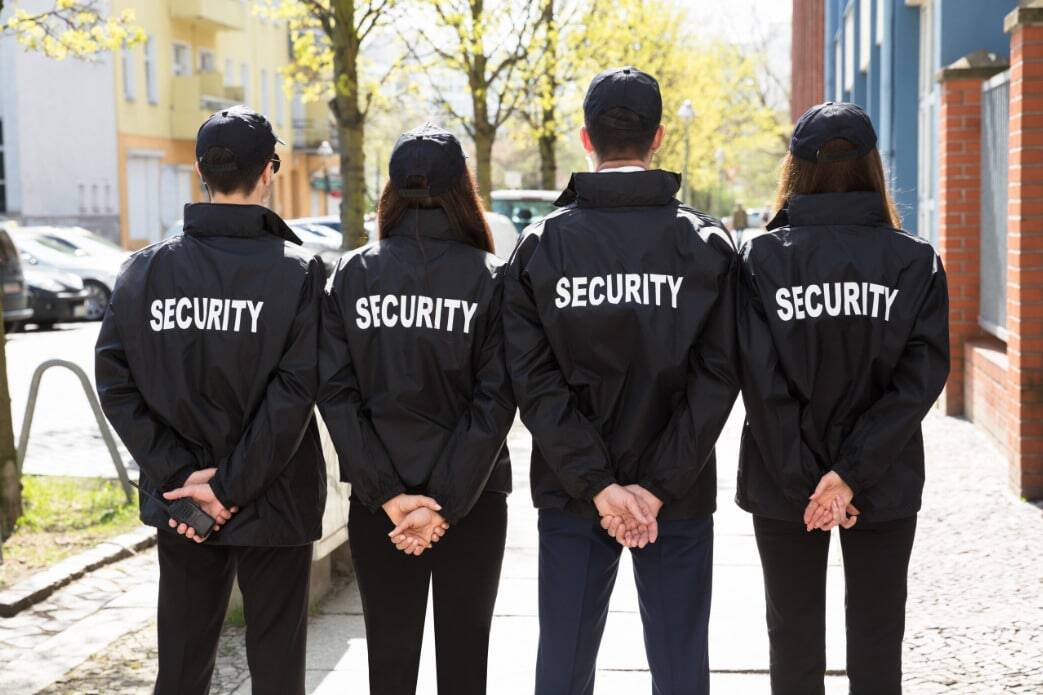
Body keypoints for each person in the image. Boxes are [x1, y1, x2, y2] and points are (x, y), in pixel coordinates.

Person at [503, 67, 739, 695]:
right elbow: (718, 379)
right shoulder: (708, 244)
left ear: (587, 138)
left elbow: (534, 384)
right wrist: (656, 487)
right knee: (681, 662)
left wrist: (601, 486)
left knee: (563, 661)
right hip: (678, 492)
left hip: (573, 490)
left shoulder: (538, 247)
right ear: (658, 137)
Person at [95, 106, 326, 695]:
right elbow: (294, 395)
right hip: (273, 498)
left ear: (200, 172)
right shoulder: (299, 273)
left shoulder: (142, 272)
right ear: (269, 172)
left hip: (183, 504)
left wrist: (185, 480)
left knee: (181, 660)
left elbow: (116, 385)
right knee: (277, 669)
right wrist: (227, 487)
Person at [736, 101, 950, 695]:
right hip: (883, 476)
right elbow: (918, 385)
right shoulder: (915, 259)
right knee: (879, 642)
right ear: (873, 168)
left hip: (785, 483)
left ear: (795, 169)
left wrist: (810, 478)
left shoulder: (759, 259)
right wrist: (849, 476)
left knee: (793, 640)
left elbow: (759, 382)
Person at [318, 123, 515, 695]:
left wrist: (390, 497)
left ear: (391, 192)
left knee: (390, 658)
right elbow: (496, 400)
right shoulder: (491, 278)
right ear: (464, 191)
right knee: (465, 661)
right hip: (472, 500)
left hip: (384, 506)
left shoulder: (352, 274)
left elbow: (336, 394)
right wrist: (445, 504)